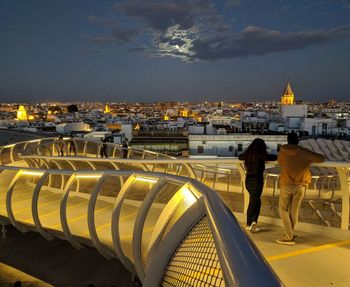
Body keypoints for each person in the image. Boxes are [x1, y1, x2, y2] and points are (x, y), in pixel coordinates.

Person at [277, 132, 325, 246]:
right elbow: (321, 158)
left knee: (283, 209)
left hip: (286, 184)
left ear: (287, 140)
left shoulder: (282, 152)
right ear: (298, 141)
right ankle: (290, 234)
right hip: (300, 185)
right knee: (294, 211)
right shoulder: (304, 152)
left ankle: (288, 237)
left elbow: (280, 162)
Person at [239, 138, 277, 232]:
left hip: (248, 181)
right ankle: (249, 224)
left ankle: (254, 222)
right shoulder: (262, 155)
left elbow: (240, 157)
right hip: (257, 181)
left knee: (256, 201)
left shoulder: (248, 155)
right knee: (253, 202)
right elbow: (274, 157)